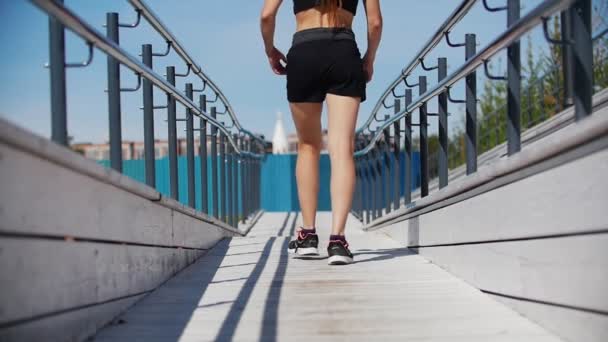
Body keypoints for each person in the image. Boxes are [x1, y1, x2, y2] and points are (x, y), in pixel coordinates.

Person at [260, 0, 382, 265]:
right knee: (342, 148)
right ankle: (338, 241)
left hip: (304, 52)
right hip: (344, 52)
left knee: (307, 146)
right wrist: (369, 59)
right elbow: (374, 22)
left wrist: (270, 50)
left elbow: (267, 15)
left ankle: (308, 236)